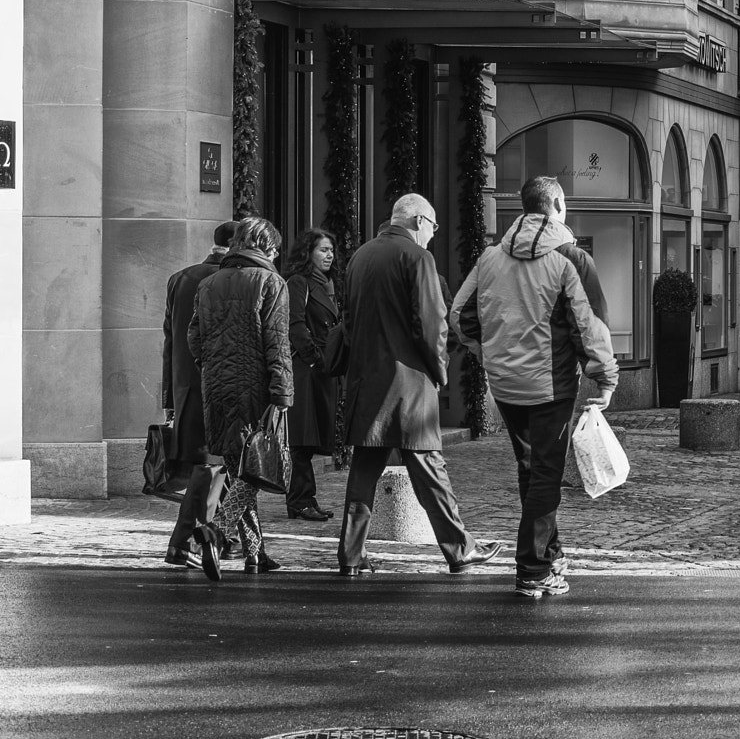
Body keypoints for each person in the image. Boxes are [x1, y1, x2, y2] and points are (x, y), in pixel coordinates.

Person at [451, 174, 618, 599]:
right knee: (546, 473)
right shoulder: (571, 258)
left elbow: (460, 315)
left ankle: (551, 551)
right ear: (557, 205)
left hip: (506, 384)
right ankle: (533, 567)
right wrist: (604, 378)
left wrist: (487, 353)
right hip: (552, 385)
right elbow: (591, 326)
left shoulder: (490, 257)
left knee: (531, 468)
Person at [336, 193, 502, 578]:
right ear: (418, 221)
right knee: (429, 468)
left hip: (367, 379)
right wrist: (440, 371)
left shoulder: (361, 256)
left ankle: (351, 555)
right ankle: (460, 550)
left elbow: (348, 320)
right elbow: (432, 325)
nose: (434, 234)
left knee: (363, 470)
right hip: (408, 382)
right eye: (433, 225)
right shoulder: (417, 258)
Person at [171, 216, 294, 580]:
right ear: (266, 247)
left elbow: (194, 336)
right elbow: (277, 342)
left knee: (242, 466)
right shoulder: (271, 282)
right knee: (256, 469)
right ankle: (216, 531)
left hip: (217, 386)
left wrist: (211, 364)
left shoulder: (209, 283)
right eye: (274, 249)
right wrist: (283, 391)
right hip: (255, 387)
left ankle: (255, 553)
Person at [162, 220, 236, 567]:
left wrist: (169, 397)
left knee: (215, 468)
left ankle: (220, 538)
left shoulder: (180, 277)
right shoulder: (226, 280)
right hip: (216, 386)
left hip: (185, 387)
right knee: (209, 468)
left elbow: (170, 342)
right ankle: (186, 543)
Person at [281, 228, 340, 522]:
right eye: (322, 250)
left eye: (331, 250)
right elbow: (295, 324)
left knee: (313, 436)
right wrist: (315, 358)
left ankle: (305, 498)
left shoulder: (329, 284)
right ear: (308, 254)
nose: (329, 255)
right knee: (303, 438)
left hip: (325, 370)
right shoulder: (298, 282)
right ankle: (301, 500)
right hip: (307, 369)